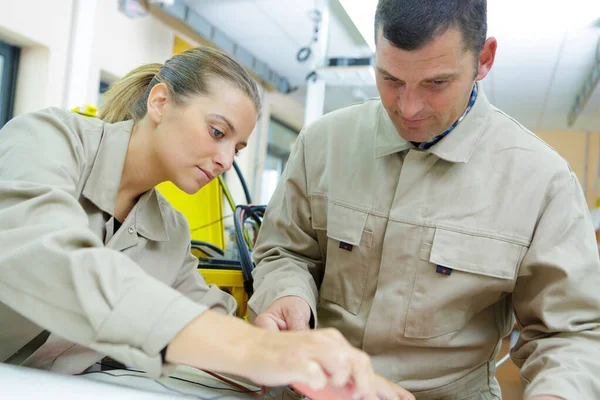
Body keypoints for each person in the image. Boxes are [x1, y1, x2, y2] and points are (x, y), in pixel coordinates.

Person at [0, 46, 410, 400]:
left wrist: (339, 378)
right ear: (160, 102)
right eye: (217, 132)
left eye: (237, 147)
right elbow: (48, 259)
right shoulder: (48, 139)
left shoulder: (169, 231)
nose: (226, 160)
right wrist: (254, 350)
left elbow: (208, 319)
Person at [249, 1, 600, 399]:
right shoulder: (322, 143)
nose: (408, 107)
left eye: (436, 83)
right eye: (390, 78)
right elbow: (285, 252)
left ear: (483, 60)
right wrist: (285, 293)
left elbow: (570, 334)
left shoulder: (543, 183)